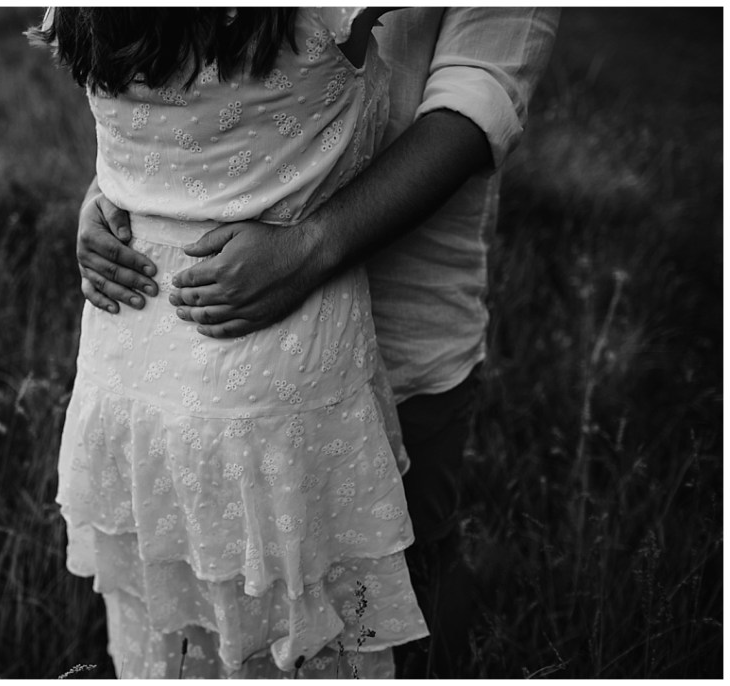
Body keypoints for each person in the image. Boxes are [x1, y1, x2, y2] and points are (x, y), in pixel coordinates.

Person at [74, 8, 560, 677]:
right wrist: (115, 191)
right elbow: (161, 70)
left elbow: (480, 96)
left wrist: (313, 246)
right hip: (183, 345)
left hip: (401, 299)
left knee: (405, 565)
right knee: (201, 589)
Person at [31, 7, 431, 679]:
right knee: (311, 640)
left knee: (174, 639)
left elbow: (161, 135)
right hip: (270, 381)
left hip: (131, 368)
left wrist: (106, 189)